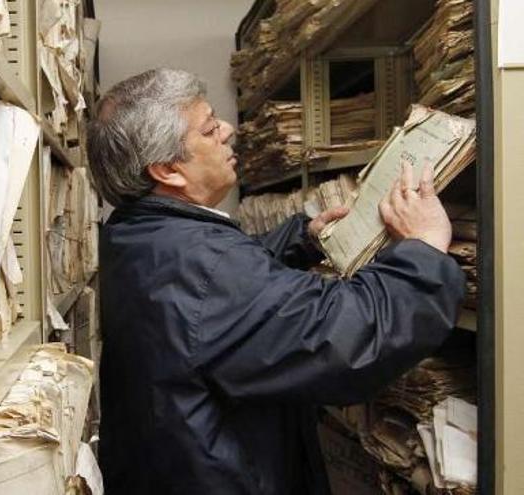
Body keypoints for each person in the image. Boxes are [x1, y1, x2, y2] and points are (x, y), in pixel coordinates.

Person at [87, 68, 465, 494]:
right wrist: (424, 248)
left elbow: (211, 307)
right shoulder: (205, 266)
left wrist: (301, 240)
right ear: (168, 170)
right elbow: (350, 339)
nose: (228, 130)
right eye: (210, 129)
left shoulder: (136, 235)